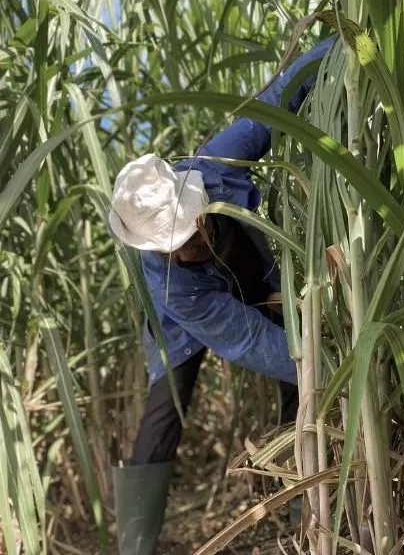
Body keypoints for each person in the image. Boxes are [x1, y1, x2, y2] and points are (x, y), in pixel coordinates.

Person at [108, 35, 335, 555]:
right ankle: (133, 545)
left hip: (261, 283)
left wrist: (337, 44)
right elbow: (252, 341)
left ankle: (306, 517)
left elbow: (278, 100)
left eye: (185, 240)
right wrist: (331, 365)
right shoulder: (174, 284)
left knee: (297, 385)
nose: (182, 252)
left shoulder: (217, 165)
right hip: (184, 327)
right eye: (169, 248)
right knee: (166, 412)